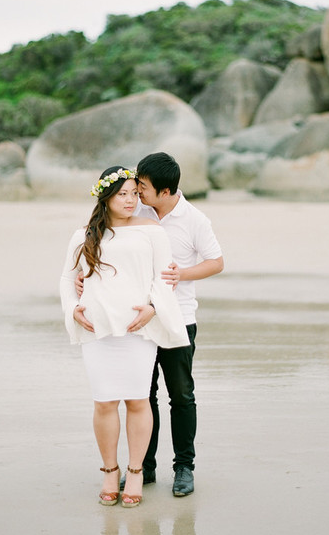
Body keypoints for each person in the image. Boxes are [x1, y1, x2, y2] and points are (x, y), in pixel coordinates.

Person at [76, 152, 224, 497]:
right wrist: (85, 282)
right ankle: (147, 466)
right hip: (139, 321)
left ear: (166, 191)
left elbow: (217, 262)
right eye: (134, 186)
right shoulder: (135, 212)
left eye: (142, 187)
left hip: (179, 317)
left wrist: (182, 274)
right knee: (142, 395)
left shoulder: (194, 219)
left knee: (182, 395)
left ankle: (184, 467)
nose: (136, 192)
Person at [60, 165, 189, 508]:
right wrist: (73, 308)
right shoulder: (84, 234)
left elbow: (164, 278)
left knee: (136, 400)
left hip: (137, 329)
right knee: (104, 402)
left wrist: (152, 307)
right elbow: (67, 278)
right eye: (123, 194)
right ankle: (108, 471)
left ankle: (134, 473)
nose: (131, 200)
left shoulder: (152, 230)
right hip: (98, 330)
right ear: (106, 196)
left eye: (135, 193)